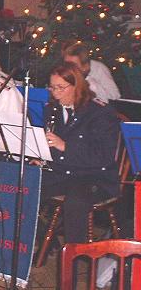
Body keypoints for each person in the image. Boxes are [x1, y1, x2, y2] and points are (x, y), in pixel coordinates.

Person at [39, 62, 120, 243]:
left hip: (93, 176)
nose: (55, 93)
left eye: (61, 87)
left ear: (77, 86)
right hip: (62, 172)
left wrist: (65, 146)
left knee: (75, 203)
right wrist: (41, 155)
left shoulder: (99, 113)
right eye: (52, 87)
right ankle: (42, 240)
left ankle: (75, 258)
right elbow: (51, 149)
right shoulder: (51, 109)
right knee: (23, 184)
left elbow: (103, 157)